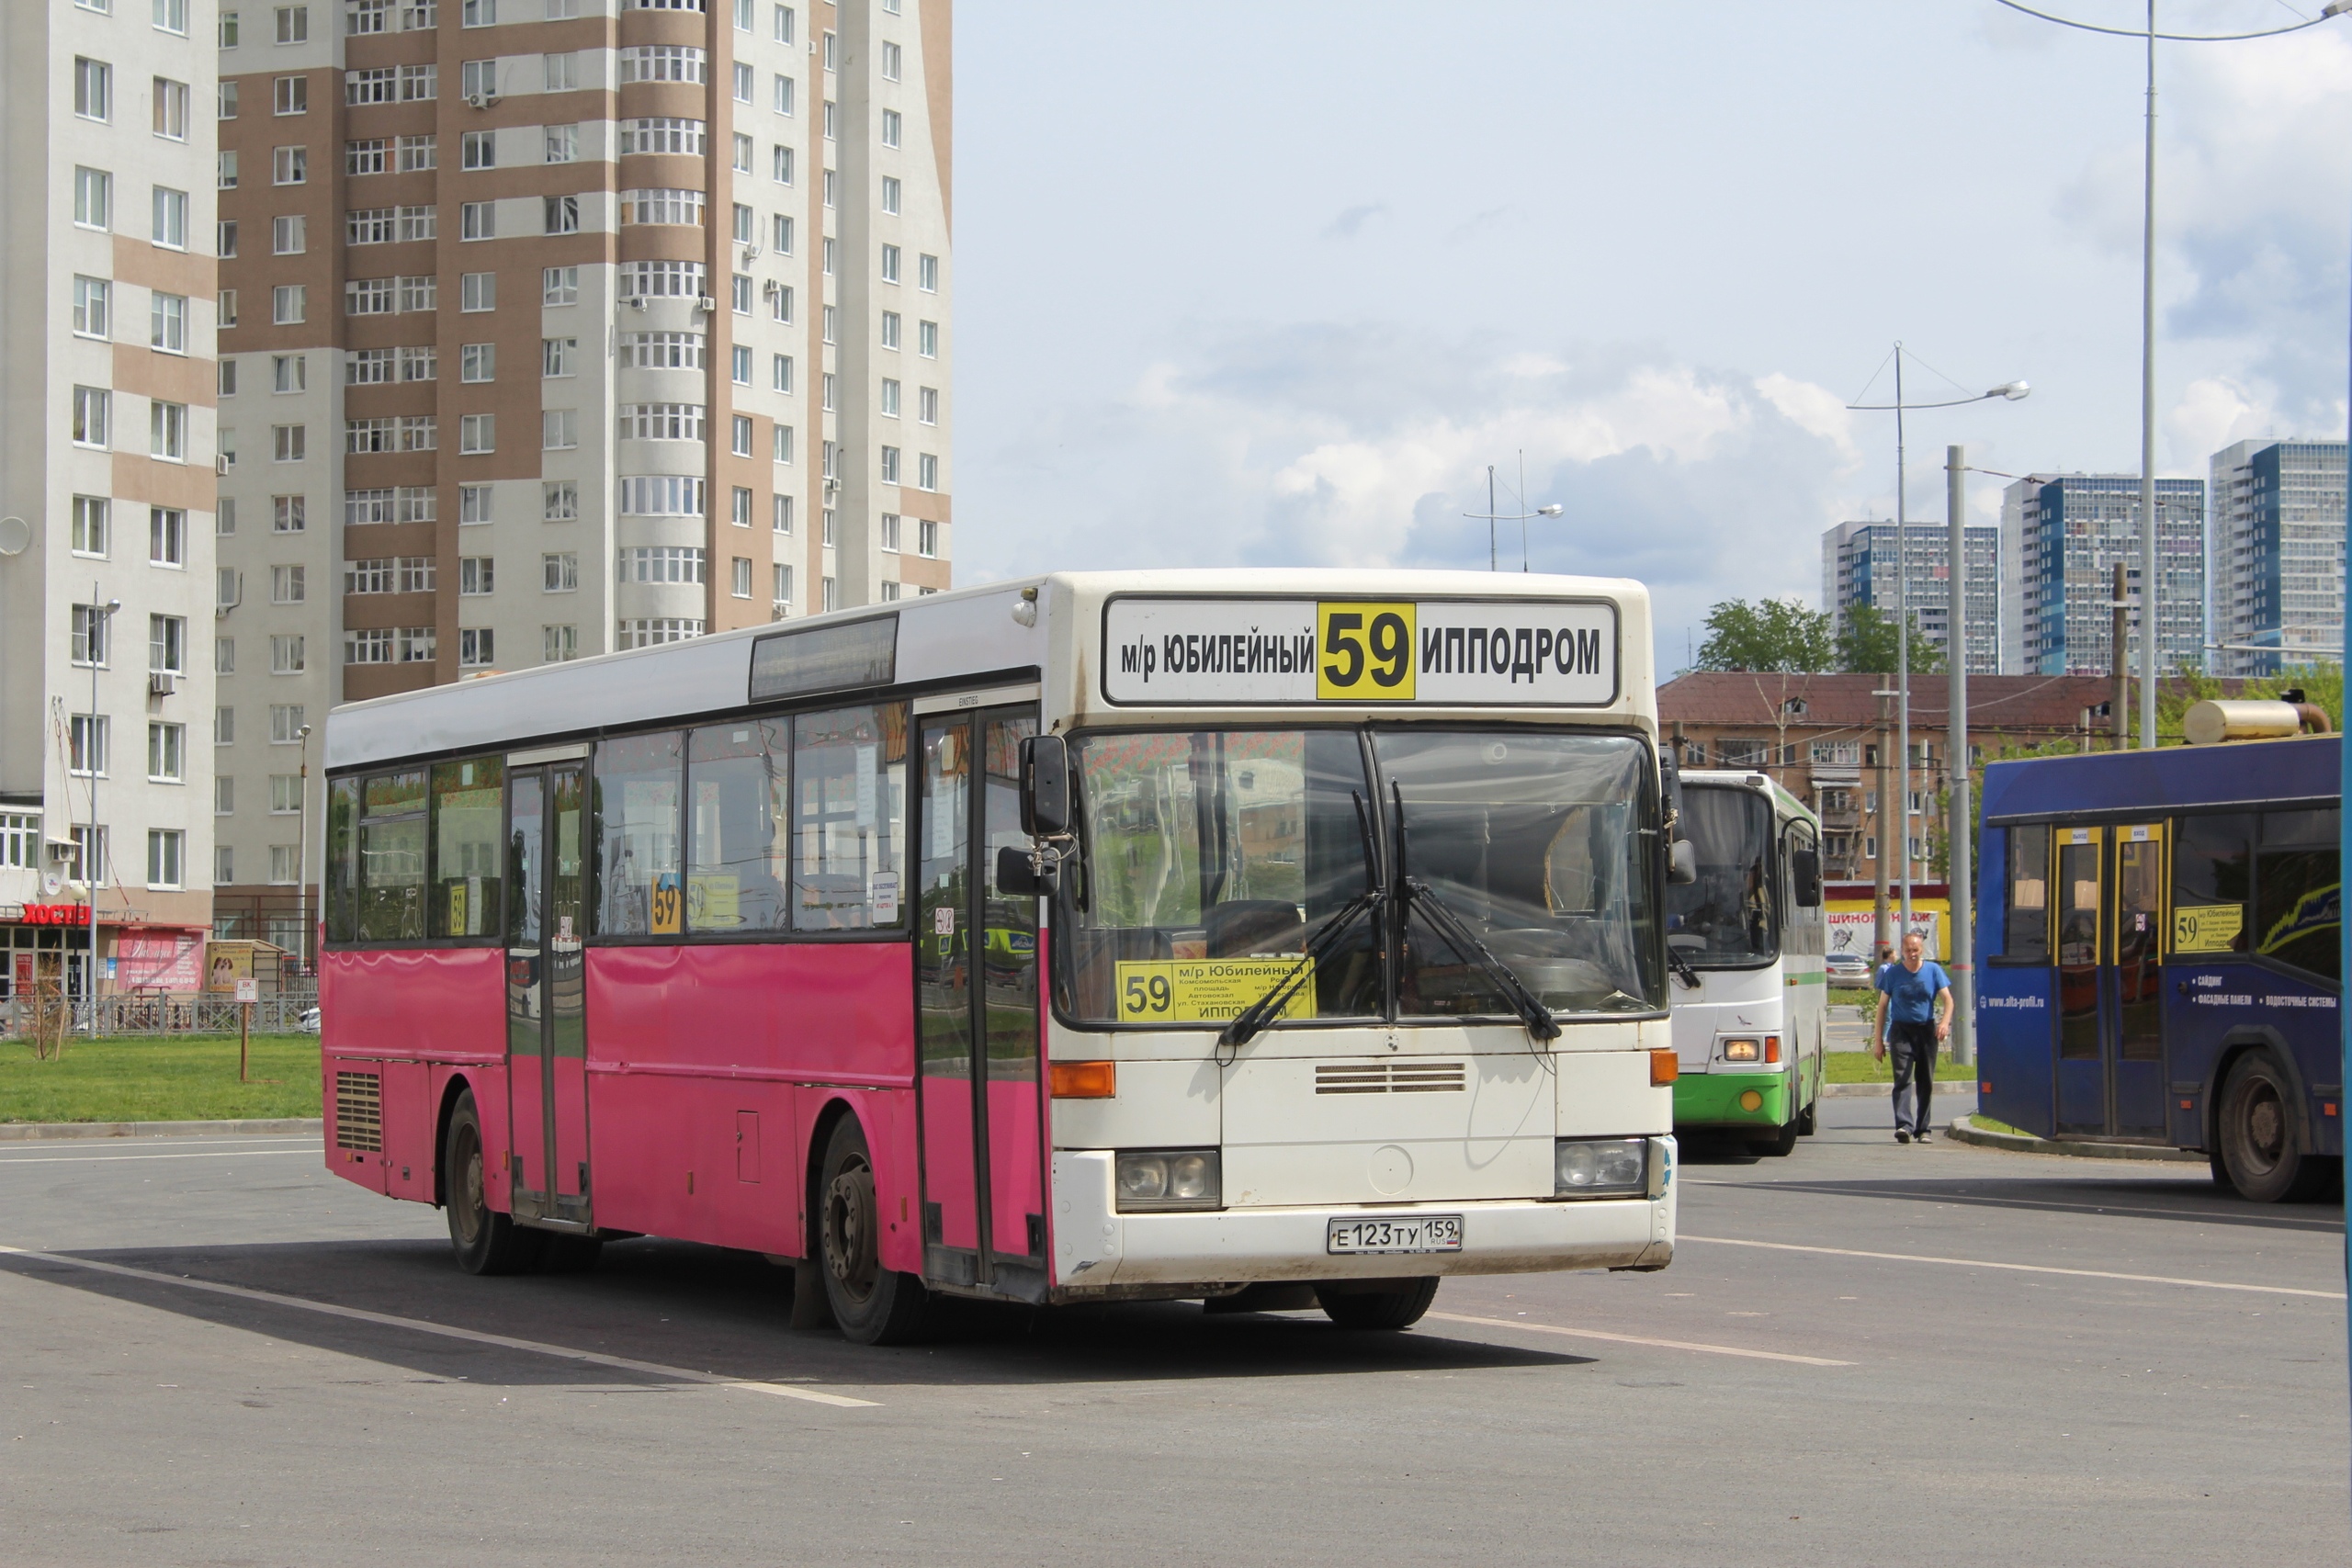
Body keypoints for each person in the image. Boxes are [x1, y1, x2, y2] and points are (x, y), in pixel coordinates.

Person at [1873, 931, 1952, 1145]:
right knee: (1902, 1078)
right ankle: (1904, 1126)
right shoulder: (1893, 974)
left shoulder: (1933, 971)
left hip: (1926, 1031)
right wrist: (1878, 1040)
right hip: (1901, 1032)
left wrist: (1944, 1023)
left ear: (1922, 950)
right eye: (1908, 950)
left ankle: (1923, 1129)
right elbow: (1882, 1007)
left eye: (1915, 950)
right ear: (1902, 951)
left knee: (1925, 1080)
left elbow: (1948, 1000)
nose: (1912, 954)